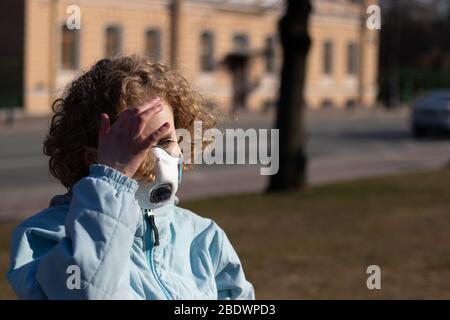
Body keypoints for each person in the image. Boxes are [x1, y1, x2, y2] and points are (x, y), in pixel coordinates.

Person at [7, 55, 255, 300]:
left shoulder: (203, 237)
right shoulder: (45, 235)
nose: (159, 158)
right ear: (93, 158)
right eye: (137, 146)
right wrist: (111, 181)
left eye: (167, 141)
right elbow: (86, 292)